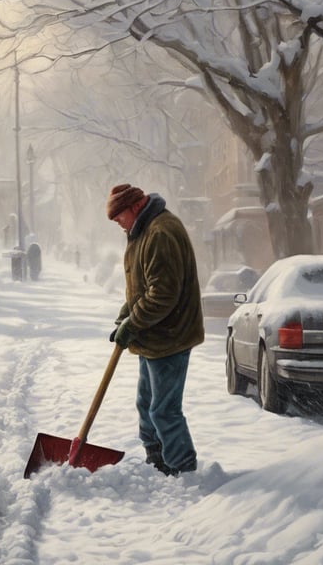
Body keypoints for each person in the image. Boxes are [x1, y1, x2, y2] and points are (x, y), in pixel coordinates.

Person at [107, 183, 204, 476]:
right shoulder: (143, 230)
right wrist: (127, 314)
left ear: (135, 207)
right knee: (146, 402)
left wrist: (133, 324)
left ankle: (182, 468)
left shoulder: (159, 232)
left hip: (170, 337)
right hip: (153, 336)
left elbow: (163, 295)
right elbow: (144, 286)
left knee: (163, 410)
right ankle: (156, 457)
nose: (118, 224)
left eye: (119, 217)